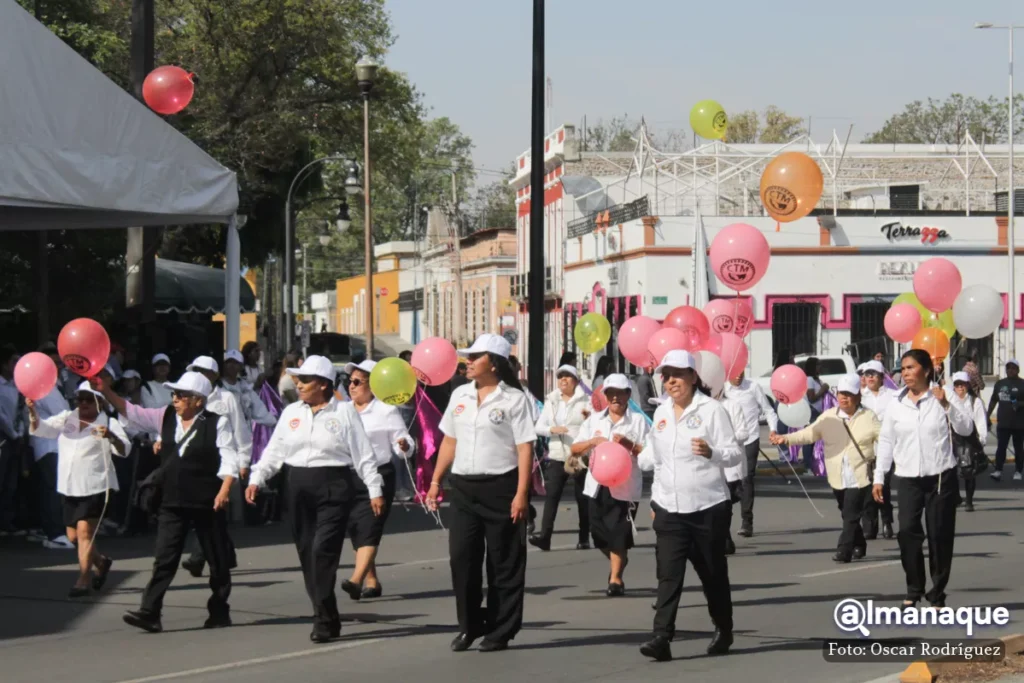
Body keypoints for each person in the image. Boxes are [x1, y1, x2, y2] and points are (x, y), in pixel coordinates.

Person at [245, 355, 383, 643]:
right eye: (298, 379)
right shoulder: (291, 412)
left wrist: (374, 489)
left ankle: (322, 620)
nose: (299, 384)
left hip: (333, 486)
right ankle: (327, 615)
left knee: (323, 552)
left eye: (305, 380)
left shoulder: (344, 412)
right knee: (307, 555)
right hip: (297, 485)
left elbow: (363, 454)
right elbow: (275, 451)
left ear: (322, 384)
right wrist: (258, 478)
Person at [94, 371, 238, 631]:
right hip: (172, 501)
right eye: (174, 394)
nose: (175, 399)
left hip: (207, 501)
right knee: (164, 557)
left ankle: (219, 610)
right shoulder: (165, 416)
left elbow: (229, 458)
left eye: (181, 395)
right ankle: (150, 611)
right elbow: (132, 411)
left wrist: (225, 489)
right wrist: (106, 391)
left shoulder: (218, 422)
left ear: (198, 400)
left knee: (217, 559)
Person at [425, 333, 536, 653]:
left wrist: (521, 493)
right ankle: (469, 625)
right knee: (462, 559)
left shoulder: (515, 399)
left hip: (502, 487)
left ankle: (501, 630)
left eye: (476, 357)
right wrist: (435, 482)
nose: (468, 362)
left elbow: (524, 447)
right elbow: (449, 441)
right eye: (468, 357)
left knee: (504, 563)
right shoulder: (459, 394)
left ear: (495, 363)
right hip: (463, 488)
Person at [637, 350, 742, 662]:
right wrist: (656, 499)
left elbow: (735, 454)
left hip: (708, 506)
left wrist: (712, 452)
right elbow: (657, 462)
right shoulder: (661, 413)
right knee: (668, 575)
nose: (671, 381)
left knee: (712, 574)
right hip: (670, 509)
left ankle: (723, 628)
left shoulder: (711, 410)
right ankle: (661, 637)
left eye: (678, 375)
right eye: (666, 376)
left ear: (694, 377)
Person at [874, 349, 974, 608]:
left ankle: (937, 593)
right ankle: (913, 588)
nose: (905, 373)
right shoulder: (896, 402)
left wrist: (947, 405)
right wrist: (878, 477)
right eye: (903, 368)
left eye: (911, 368)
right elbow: (886, 440)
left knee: (939, 535)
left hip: (941, 476)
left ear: (927, 370)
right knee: (907, 532)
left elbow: (966, 427)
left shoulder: (943, 394)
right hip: (908, 477)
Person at [27, 382, 129, 594]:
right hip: (69, 485)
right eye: (79, 399)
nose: (83, 403)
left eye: (88, 399)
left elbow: (124, 449)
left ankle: (83, 579)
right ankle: (100, 562)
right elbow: (41, 429)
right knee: (73, 536)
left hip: (96, 485)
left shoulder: (108, 422)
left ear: (99, 402)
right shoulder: (67, 417)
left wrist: (111, 436)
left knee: (85, 533)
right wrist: (32, 411)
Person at [772, 374, 880, 563]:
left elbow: (884, 439)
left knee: (851, 513)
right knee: (846, 512)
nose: (844, 398)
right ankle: (859, 543)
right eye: (841, 394)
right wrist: (785, 439)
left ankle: (843, 550)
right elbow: (809, 434)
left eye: (849, 394)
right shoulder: (829, 416)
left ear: (858, 396)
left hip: (860, 474)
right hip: (837, 475)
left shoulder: (868, 417)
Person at [340, 359, 415, 600]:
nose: (351, 386)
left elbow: (403, 441)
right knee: (356, 529)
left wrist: (404, 445)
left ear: (374, 385)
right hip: (349, 475)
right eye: (348, 381)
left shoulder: (386, 410)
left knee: (370, 527)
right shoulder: (343, 409)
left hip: (379, 475)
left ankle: (356, 579)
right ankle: (371, 579)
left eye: (357, 382)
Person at [571, 373, 648, 596]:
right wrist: (593, 442)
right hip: (596, 485)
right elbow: (575, 449)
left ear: (628, 395)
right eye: (611, 393)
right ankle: (619, 557)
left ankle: (615, 579)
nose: (615, 398)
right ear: (605, 396)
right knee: (599, 535)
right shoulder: (594, 420)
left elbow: (649, 454)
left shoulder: (639, 421)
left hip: (625, 488)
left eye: (620, 393)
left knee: (619, 534)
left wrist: (628, 444)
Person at [529, 365, 591, 551]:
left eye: (568, 376)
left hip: (579, 455)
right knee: (552, 496)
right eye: (560, 376)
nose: (563, 380)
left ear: (576, 380)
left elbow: (593, 424)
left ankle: (584, 538)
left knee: (582, 497)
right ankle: (545, 537)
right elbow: (539, 426)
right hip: (557, 454)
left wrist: (582, 442)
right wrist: (551, 430)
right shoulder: (552, 400)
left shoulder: (586, 400)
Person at [722, 372, 778, 538]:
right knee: (729, 482)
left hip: (749, 439)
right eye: (735, 373)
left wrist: (773, 429)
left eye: (742, 373)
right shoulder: (722, 389)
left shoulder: (753, 387)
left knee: (747, 478)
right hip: (728, 442)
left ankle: (747, 522)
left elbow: (768, 410)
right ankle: (724, 523)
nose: (738, 377)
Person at [26, 384, 74, 549]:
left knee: (47, 489)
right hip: (50, 446)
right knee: (53, 489)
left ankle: (46, 529)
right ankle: (55, 534)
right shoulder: (46, 389)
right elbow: (63, 415)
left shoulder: (50, 388)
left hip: (48, 446)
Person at [860, 359, 897, 540]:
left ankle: (887, 521)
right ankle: (869, 526)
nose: (870, 378)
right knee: (867, 488)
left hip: (886, 448)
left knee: (884, 486)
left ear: (882, 377)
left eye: (874, 374)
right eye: (867, 374)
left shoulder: (893, 395)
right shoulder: (859, 396)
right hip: (865, 449)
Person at [950, 371, 988, 512]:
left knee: (969, 471)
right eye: (957, 385)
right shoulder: (950, 400)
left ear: (967, 385)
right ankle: (956, 497)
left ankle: (969, 501)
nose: (960, 387)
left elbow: (980, 421)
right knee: (951, 470)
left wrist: (982, 439)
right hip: (953, 438)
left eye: (963, 384)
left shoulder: (975, 401)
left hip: (969, 439)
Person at [0, 345, 25, 537]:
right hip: (3, 438)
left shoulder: (18, 386)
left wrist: (20, 432)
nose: (17, 365)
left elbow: (21, 411)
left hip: (16, 437)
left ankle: (7, 522)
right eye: (14, 361)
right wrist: (13, 433)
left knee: (12, 482)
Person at [986, 359, 1024, 482]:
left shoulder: (1022, 383)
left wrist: (1019, 404)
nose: (1010, 370)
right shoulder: (1000, 384)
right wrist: (987, 415)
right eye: (1008, 368)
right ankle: (998, 470)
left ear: (1018, 370)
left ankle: (1018, 471)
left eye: (1013, 368)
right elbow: (993, 400)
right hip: (1003, 422)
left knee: (1018, 448)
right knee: (1001, 447)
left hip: (1019, 423)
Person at [802, 357, 829, 474]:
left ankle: (815, 463)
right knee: (809, 440)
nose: (820, 367)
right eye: (818, 365)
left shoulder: (816, 379)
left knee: (817, 440)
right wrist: (823, 390)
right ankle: (807, 465)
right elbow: (811, 398)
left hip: (819, 412)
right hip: (811, 412)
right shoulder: (809, 380)